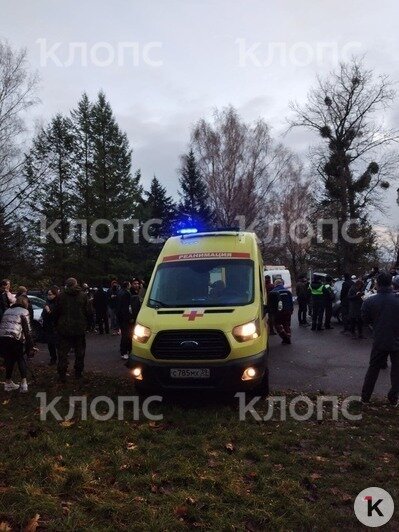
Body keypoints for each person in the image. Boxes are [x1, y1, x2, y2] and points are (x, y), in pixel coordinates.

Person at [361, 271, 399, 406]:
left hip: (379, 339)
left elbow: (365, 320)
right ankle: (394, 397)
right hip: (397, 340)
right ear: (391, 284)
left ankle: (365, 397)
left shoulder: (370, 301)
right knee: (397, 370)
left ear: (377, 283)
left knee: (373, 369)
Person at [53, 278, 90, 383]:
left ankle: (62, 374)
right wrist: (87, 324)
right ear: (76, 284)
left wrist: (56, 324)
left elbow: (56, 311)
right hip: (79, 328)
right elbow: (89, 311)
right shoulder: (83, 296)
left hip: (64, 328)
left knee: (63, 353)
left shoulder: (61, 296)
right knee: (80, 352)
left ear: (66, 285)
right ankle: (78, 373)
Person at [0, 295, 35, 392]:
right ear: (25, 302)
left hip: (3, 338)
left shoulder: (8, 310)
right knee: (20, 358)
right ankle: (24, 384)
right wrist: (31, 345)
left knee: (9, 359)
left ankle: (8, 383)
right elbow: (27, 331)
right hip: (15, 338)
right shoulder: (24, 311)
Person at [268, 279, 294, 344]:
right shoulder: (288, 292)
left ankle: (285, 337)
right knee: (286, 324)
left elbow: (271, 304)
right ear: (282, 284)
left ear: (275, 284)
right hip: (288, 311)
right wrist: (291, 310)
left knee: (277, 324)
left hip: (278, 312)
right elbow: (291, 302)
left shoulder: (272, 292)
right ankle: (288, 336)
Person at [116, 281, 134, 360]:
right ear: (127, 286)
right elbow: (127, 307)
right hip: (125, 317)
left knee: (124, 335)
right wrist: (130, 317)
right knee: (126, 335)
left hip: (120, 316)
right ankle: (124, 352)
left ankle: (124, 351)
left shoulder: (119, 292)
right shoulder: (127, 294)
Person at [42, 287, 59, 365]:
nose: (49, 296)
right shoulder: (47, 302)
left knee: (57, 344)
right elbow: (43, 314)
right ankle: (53, 358)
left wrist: (49, 311)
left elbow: (57, 315)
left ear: (55, 295)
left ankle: (61, 359)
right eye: (48, 294)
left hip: (55, 327)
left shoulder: (58, 303)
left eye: (50, 294)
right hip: (48, 326)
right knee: (50, 344)